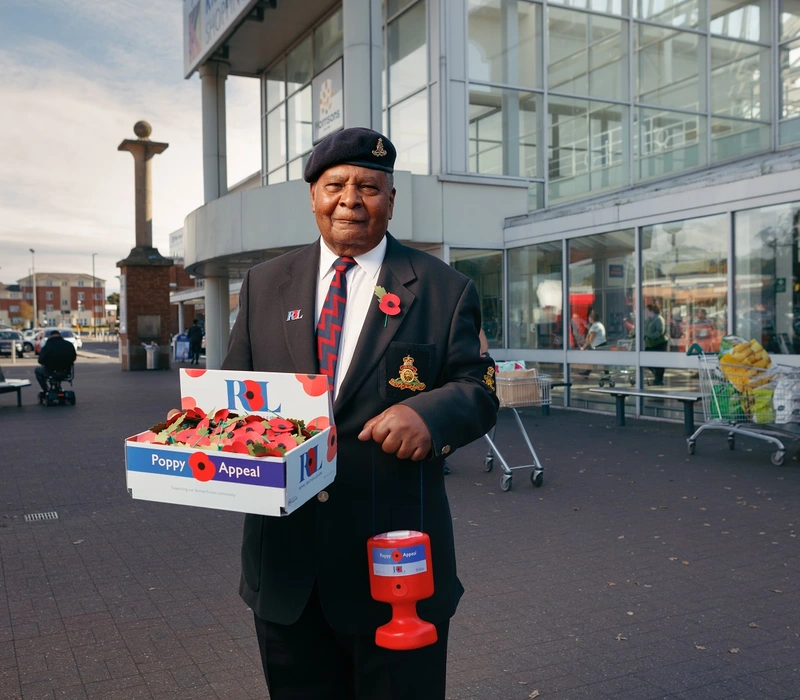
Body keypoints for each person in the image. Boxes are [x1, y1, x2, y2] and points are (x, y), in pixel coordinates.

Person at [221, 127, 499, 700]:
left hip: (397, 569)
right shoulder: (264, 285)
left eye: (369, 186)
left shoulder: (445, 290)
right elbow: (232, 398)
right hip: (287, 569)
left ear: (391, 199)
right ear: (313, 197)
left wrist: (431, 414)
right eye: (335, 185)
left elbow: (480, 387)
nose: (351, 198)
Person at [35, 330, 76, 396]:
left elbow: (40, 360)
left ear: (50, 336)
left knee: (37, 371)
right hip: (65, 372)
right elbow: (73, 358)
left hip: (50, 371)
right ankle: (58, 387)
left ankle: (46, 390)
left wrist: (44, 363)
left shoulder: (47, 346)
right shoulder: (69, 345)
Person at [644, 303, 669, 385]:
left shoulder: (659, 319)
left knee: (659, 361)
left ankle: (658, 379)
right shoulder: (649, 320)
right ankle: (656, 374)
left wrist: (650, 336)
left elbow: (660, 332)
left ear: (651, 311)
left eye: (648, 311)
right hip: (650, 344)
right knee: (646, 359)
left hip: (659, 343)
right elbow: (645, 329)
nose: (647, 312)